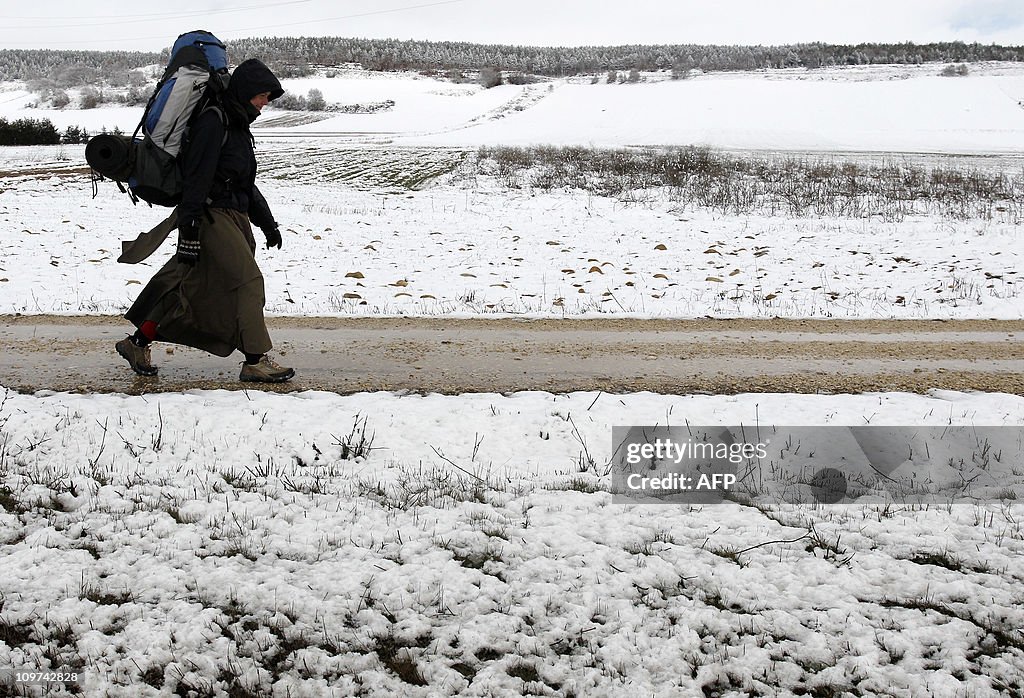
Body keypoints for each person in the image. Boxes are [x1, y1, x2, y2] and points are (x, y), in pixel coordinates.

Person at [115, 58, 295, 383]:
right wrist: (191, 227)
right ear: (247, 90)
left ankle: (136, 342)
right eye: (263, 95)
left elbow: (243, 182)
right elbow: (198, 177)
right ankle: (255, 359)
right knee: (248, 282)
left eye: (269, 97)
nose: (266, 102)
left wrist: (267, 223)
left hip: (232, 216)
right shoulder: (214, 121)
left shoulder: (237, 124)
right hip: (211, 216)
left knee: (188, 286)